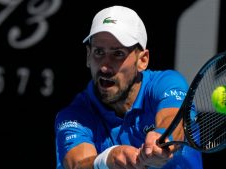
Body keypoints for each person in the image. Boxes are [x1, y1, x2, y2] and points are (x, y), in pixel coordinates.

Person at [55, 5, 203, 169]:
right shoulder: (73, 116)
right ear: (88, 56)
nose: (105, 66)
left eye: (118, 53)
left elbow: (175, 120)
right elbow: (76, 164)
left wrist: (162, 139)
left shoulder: (166, 83)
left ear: (143, 60)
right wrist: (108, 160)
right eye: (98, 52)